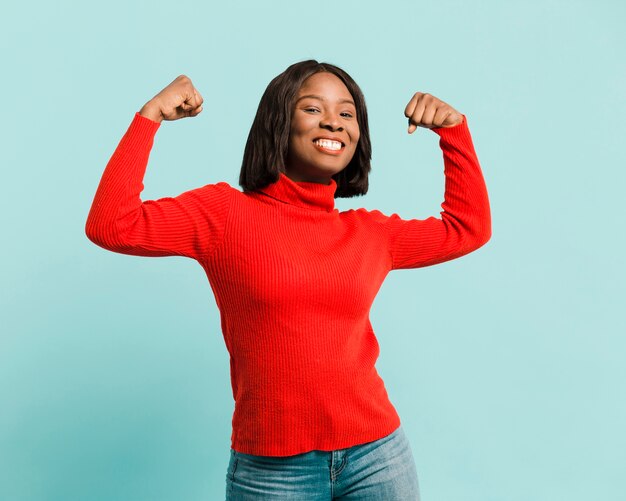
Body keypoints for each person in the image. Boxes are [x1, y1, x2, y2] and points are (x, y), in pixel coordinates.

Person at [85, 59, 491, 500]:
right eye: (313, 109)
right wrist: (150, 118)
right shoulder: (223, 216)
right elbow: (111, 225)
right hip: (273, 472)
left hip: (378, 457)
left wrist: (453, 131)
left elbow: (467, 229)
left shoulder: (371, 234)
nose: (334, 121)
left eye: (347, 113)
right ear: (279, 122)